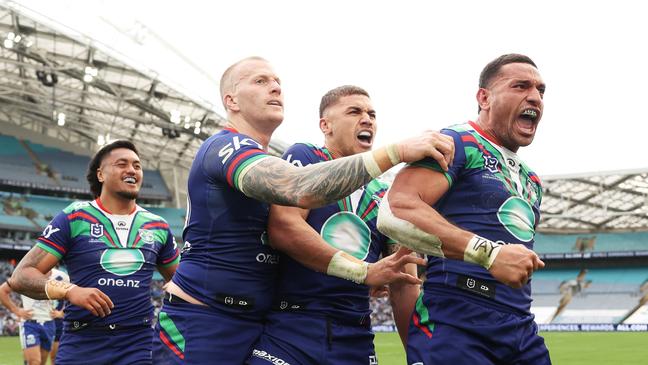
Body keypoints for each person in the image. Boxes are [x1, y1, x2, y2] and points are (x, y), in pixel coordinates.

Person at [153, 56, 454, 364]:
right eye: (260, 81)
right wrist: (397, 152)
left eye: (278, 83)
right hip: (206, 318)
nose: (275, 87)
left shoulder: (376, 194)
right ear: (231, 100)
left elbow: (403, 280)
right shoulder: (225, 146)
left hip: (261, 323)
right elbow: (298, 190)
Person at [377, 53, 550, 364]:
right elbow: (396, 209)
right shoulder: (458, 142)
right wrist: (490, 254)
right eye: (521, 86)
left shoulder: (532, 181)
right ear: (484, 97)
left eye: (541, 90)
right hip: (456, 319)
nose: (535, 97)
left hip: (520, 328)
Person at [247, 85, 422, 365]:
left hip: (355, 335)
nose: (367, 119)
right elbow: (284, 228)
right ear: (325, 125)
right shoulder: (305, 158)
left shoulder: (387, 196)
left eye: (372, 114)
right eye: (354, 111)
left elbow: (405, 283)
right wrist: (365, 272)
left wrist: (417, 356)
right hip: (292, 328)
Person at [8, 140, 180, 365]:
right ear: (101, 174)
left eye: (137, 166)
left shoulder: (157, 225)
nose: (131, 170)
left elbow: (182, 283)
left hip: (138, 344)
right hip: (82, 342)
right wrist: (70, 291)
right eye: (122, 164)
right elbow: (21, 276)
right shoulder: (75, 217)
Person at [0, 267, 68, 365]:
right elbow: (2, 291)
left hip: (49, 323)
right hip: (30, 323)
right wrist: (16, 310)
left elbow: (71, 292)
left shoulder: (60, 276)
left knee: (41, 362)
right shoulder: (25, 275)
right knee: (34, 362)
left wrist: (62, 312)